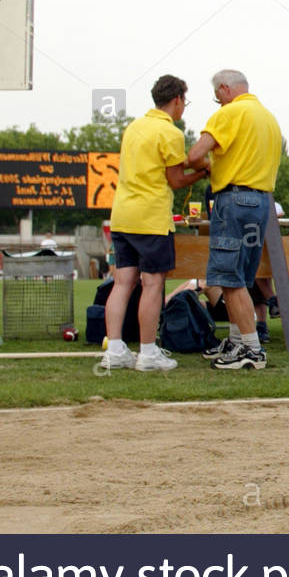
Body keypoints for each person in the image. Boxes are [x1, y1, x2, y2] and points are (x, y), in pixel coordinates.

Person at [100, 76, 209, 372]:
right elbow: (175, 180)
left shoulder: (134, 127)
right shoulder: (170, 132)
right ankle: (148, 352)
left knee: (122, 283)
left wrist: (187, 164)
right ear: (177, 100)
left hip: (122, 214)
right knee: (153, 284)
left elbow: (159, 165)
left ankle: (116, 349)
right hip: (150, 218)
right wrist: (204, 172)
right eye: (184, 101)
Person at [186, 69, 282, 371]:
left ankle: (251, 350)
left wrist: (205, 167)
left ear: (225, 89)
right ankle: (238, 340)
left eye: (218, 98)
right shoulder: (268, 117)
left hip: (234, 200)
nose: (219, 103)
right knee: (242, 275)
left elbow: (194, 154)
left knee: (228, 277)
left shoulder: (228, 114)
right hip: (261, 202)